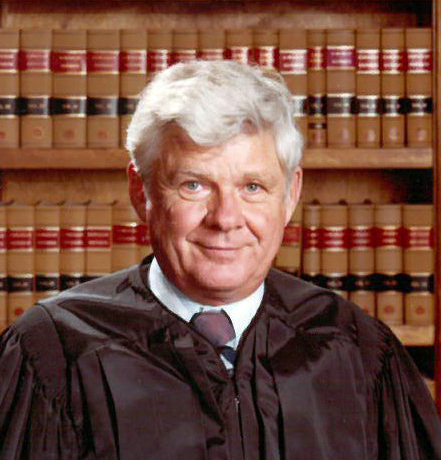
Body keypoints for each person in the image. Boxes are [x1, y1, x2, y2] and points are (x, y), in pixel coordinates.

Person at [0, 60, 440, 460]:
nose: (226, 219)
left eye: (252, 187)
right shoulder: (53, 355)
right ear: (141, 191)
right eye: (194, 185)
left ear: (290, 194)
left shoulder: (359, 352)